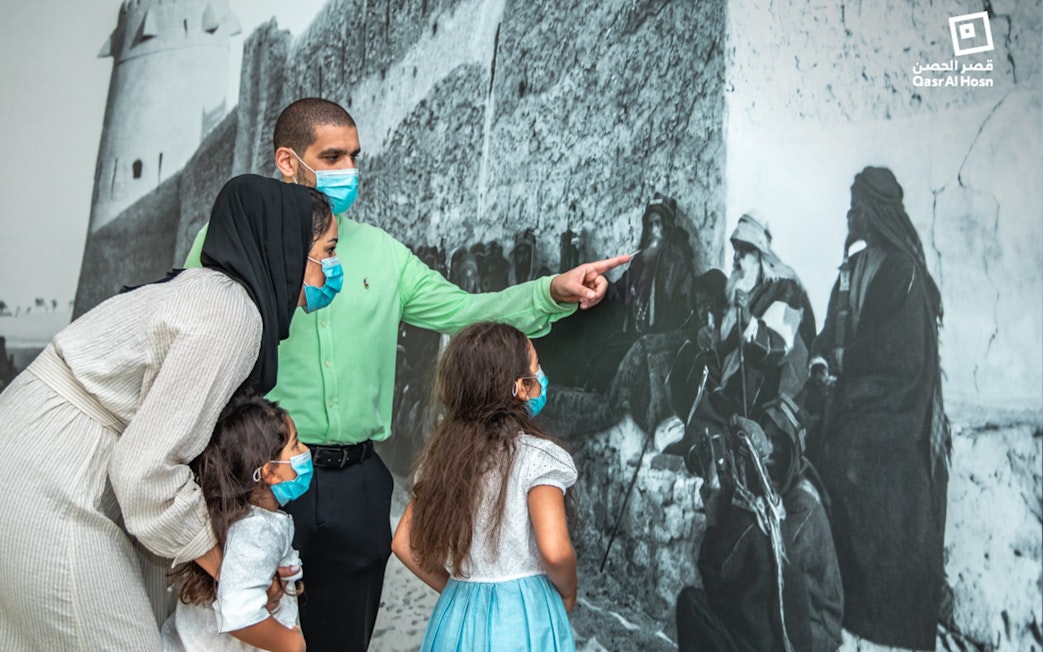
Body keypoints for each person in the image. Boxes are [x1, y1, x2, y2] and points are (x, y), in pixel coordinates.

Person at [184, 97, 628, 651]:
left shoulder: (385, 255)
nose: (349, 171)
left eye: (354, 156)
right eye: (333, 156)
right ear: (288, 161)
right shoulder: (230, 242)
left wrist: (550, 292)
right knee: (255, 630)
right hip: (266, 480)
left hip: (355, 485)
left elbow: (465, 311)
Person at [0, 174, 338, 650]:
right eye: (326, 251)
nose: (332, 267)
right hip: (53, 479)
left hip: (37, 453)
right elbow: (146, 472)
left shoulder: (208, 293)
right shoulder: (232, 314)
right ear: (286, 248)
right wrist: (235, 574)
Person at [668, 215, 842, 652]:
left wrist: (746, 325)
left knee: (754, 458)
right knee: (705, 421)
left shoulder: (785, 289)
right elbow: (728, 358)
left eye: (745, 252)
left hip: (778, 409)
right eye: (735, 252)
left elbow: (780, 344)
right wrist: (717, 338)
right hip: (742, 406)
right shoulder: (741, 294)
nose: (738, 259)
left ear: (762, 255)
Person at [814, 166, 950, 650]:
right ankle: (832, 603)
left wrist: (846, 376)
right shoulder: (850, 272)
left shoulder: (903, 273)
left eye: (856, 206)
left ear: (873, 213)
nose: (850, 214)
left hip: (897, 412)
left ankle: (886, 625)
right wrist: (820, 365)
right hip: (853, 397)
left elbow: (904, 359)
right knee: (814, 448)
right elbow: (828, 335)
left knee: (857, 456)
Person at [391, 322, 577, 651]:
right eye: (536, 369)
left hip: (455, 618)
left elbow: (403, 544)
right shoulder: (539, 460)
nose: (541, 378)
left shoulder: (443, 459)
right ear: (520, 388)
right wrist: (568, 591)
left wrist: (455, 589)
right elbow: (555, 550)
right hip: (525, 620)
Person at [162, 390, 310, 652]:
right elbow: (240, 613)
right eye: (296, 445)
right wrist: (292, 644)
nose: (305, 451)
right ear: (270, 472)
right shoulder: (256, 532)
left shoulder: (230, 515)